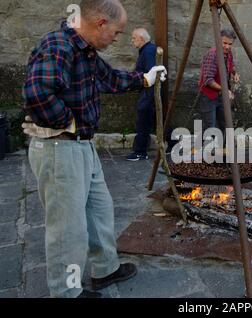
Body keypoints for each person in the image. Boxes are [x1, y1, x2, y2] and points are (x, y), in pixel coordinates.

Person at [22, 0, 166, 298]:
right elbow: (37, 93)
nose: (118, 38)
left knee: (100, 210)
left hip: (82, 146)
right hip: (59, 148)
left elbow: (110, 78)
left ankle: (105, 269)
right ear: (101, 23)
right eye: (117, 32)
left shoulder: (85, 51)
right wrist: (69, 122)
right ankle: (66, 291)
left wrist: (145, 79)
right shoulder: (58, 45)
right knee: (67, 229)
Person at [197, 29, 240, 149]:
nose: (227, 46)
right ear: (218, 41)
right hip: (208, 96)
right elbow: (208, 80)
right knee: (209, 126)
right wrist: (225, 90)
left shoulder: (228, 53)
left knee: (225, 124)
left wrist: (235, 73)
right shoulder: (212, 54)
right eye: (224, 43)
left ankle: (221, 152)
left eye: (230, 44)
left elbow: (231, 66)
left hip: (221, 95)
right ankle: (199, 152)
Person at [126, 28, 157, 161]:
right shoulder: (147, 50)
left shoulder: (148, 51)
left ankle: (140, 152)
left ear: (142, 39)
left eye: (134, 38)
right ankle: (172, 142)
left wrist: (147, 96)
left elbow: (151, 73)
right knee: (155, 118)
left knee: (143, 120)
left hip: (148, 91)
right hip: (148, 91)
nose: (132, 41)